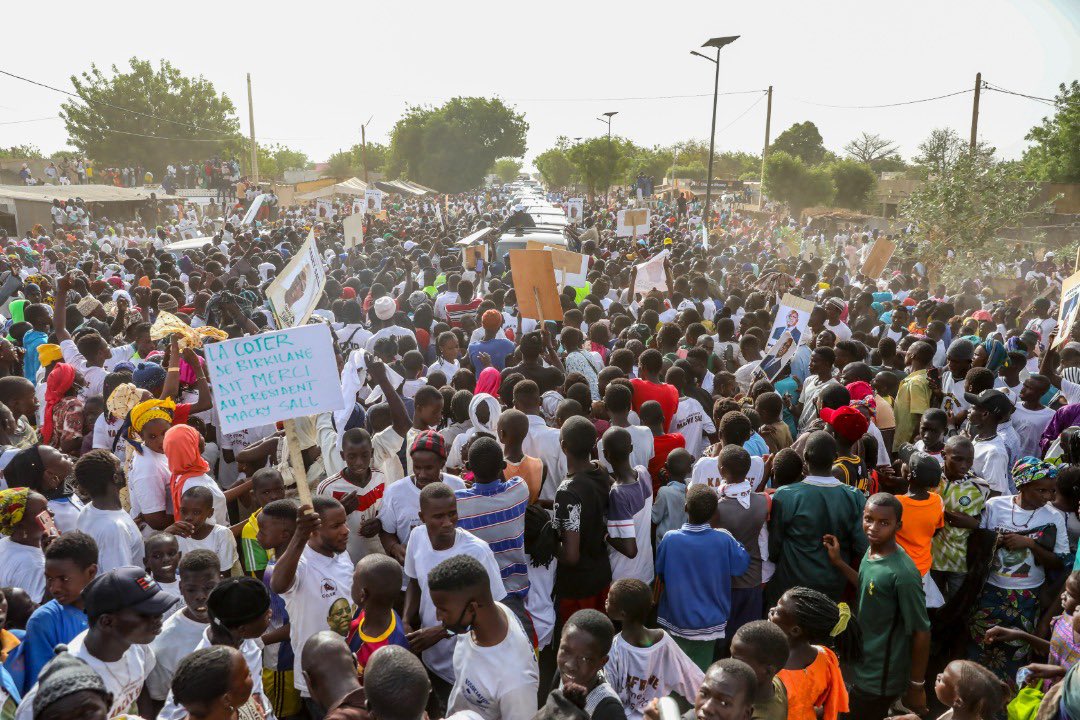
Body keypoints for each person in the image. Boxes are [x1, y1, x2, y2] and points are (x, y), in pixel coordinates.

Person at [16, 565, 177, 720]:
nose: (158, 617)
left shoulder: (138, 647)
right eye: (146, 613)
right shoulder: (61, 694)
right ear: (107, 622)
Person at [824, 493, 931, 719]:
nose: (873, 527)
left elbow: (922, 632)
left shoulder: (902, 573)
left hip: (880, 676)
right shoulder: (872, 550)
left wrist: (916, 686)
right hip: (861, 661)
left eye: (884, 523)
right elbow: (868, 585)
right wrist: (839, 563)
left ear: (898, 526)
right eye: (869, 519)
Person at [968, 458, 1068, 682]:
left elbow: (1059, 563)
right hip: (990, 592)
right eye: (1041, 490)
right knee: (980, 650)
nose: (1048, 497)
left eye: (1052, 491)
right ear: (1022, 485)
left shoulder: (1054, 517)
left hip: (1026, 598)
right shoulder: (995, 506)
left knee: (1016, 655)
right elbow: (976, 544)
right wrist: (995, 540)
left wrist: (1030, 545)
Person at [403, 481, 506, 695]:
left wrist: (442, 632)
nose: (448, 523)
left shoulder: (477, 552)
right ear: (422, 518)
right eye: (438, 517)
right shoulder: (417, 537)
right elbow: (413, 582)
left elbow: (494, 611)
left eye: (452, 514)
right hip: (430, 660)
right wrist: (405, 620)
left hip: (467, 669)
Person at [269, 497, 354, 709]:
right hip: (319, 679)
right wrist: (300, 535)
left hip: (350, 669)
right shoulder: (300, 563)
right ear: (313, 531)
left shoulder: (342, 555)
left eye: (345, 522)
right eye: (336, 526)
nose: (345, 531)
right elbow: (278, 584)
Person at [430, 554, 539, 719]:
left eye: (443, 610)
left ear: (472, 609)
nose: (437, 616)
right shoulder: (486, 615)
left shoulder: (516, 682)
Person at [655, 483, 749, 670]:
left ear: (685, 508)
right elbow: (741, 565)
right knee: (699, 674)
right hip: (710, 625)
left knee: (674, 672)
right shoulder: (723, 539)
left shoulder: (670, 538)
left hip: (676, 620)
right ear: (715, 513)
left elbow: (661, 572)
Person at [766, 432, 867, 605]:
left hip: (791, 586)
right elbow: (862, 546)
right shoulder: (855, 496)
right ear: (835, 458)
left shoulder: (786, 495)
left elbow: (774, 548)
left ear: (805, 457)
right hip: (833, 586)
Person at [603, 578, 703, 720]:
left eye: (610, 599)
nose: (606, 600)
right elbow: (692, 678)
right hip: (658, 714)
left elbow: (608, 698)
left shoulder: (614, 649)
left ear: (622, 614)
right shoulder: (664, 641)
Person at [20, 530, 98, 692]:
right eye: (49, 578)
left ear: (91, 572)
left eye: (64, 579)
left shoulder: (111, 608)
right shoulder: (44, 621)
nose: (54, 588)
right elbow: (41, 688)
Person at [146, 549, 220, 711]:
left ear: (220, 582)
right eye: (191, 590)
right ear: (180, 588)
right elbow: (160, 701)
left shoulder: (237, 618)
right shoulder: (164, 641)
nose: (201, 596)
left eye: (209, 587)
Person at [554, 416, 612, 622]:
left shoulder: (567, 492)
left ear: (563, 446)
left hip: (577, 588)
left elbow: (570, 556)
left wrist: (548, 543)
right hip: (602, 574)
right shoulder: (600, 470)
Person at [711, 444, 770, 646]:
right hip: (752, 580)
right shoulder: (763, 502)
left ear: (722, 471)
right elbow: (764, 543)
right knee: (747, 640)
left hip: (723, 582)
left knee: (721, 640)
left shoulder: (716, 508)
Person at [767, 587, 852, 720]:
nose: (771, 610)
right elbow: (832, 700)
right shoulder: (826, 656)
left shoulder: (769, 666)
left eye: (778, 611)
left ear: (795, 630)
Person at [74, 450, 144, 573]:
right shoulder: (114, 528)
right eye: (119, 466)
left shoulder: (86, 511)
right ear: (115, 478)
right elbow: (119, 580)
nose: (123, 468)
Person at [553, 609, 627, 720]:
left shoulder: (609, 710)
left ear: (602, 662)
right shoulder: (562, 673)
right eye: (566, 651)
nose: (570, 665)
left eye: (584, 658)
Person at [602, 427, 654, 584]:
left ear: (605, 454)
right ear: (631, 448)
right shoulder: (643, 473)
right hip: (646, 570)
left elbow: (630, 550)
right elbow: (628, 490)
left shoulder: (618, 495)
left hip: (624, 578)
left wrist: (603, 533)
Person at [346, 552, 409, 680]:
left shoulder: (391, 652)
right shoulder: (366, 612)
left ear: (363, 595)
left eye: (353, 580)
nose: (351, 584)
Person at [895, 449, 946, 607]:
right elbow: (937, 529)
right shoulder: (937, 501)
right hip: (923, 568)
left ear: (909, 475)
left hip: (898, 569)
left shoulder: (897, 503)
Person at [170, 646, 255, 720]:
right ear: (226, 699)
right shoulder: (234, 700)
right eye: (246, 675)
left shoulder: (237, 702)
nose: (251, 674)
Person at [729, 620, 790, 720]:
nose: (729, 663)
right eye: (731, 655)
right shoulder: (775, 682)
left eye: (738, 661)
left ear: (768, 671)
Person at [0, 488, 50, 602]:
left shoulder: (4, 543)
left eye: (48, 508)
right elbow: (39, 609)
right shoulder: (33, 564)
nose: (51, 513)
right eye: (43, 511)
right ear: (22, 525)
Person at [651, 448, 690, 545]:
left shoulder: (664, 491)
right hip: (685, 543)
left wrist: (662, 486)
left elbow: (655, 518)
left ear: (665, 466)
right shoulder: (691, 487)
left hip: (666, 544)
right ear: (689, 469)